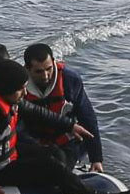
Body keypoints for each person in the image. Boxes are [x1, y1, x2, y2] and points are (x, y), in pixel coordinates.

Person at [0, 59, 130, 194]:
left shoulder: (4, 95)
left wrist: (70, 125)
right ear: (7, 90)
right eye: (21, 90)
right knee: (51, 166)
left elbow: (33, 110)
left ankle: (66, 185)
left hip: (7, 152)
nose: (25, 93)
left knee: (53, 153)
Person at [23, 43, 105, 172]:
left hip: (67, 141)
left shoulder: (70, 80)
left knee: (58, 170)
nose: (45, 76)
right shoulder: (19, 85)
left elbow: (87, 118)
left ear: (54, 62)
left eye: (48, 69)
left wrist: (96, 158)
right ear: (27, 69)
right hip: (34, 143)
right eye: (39, 71)